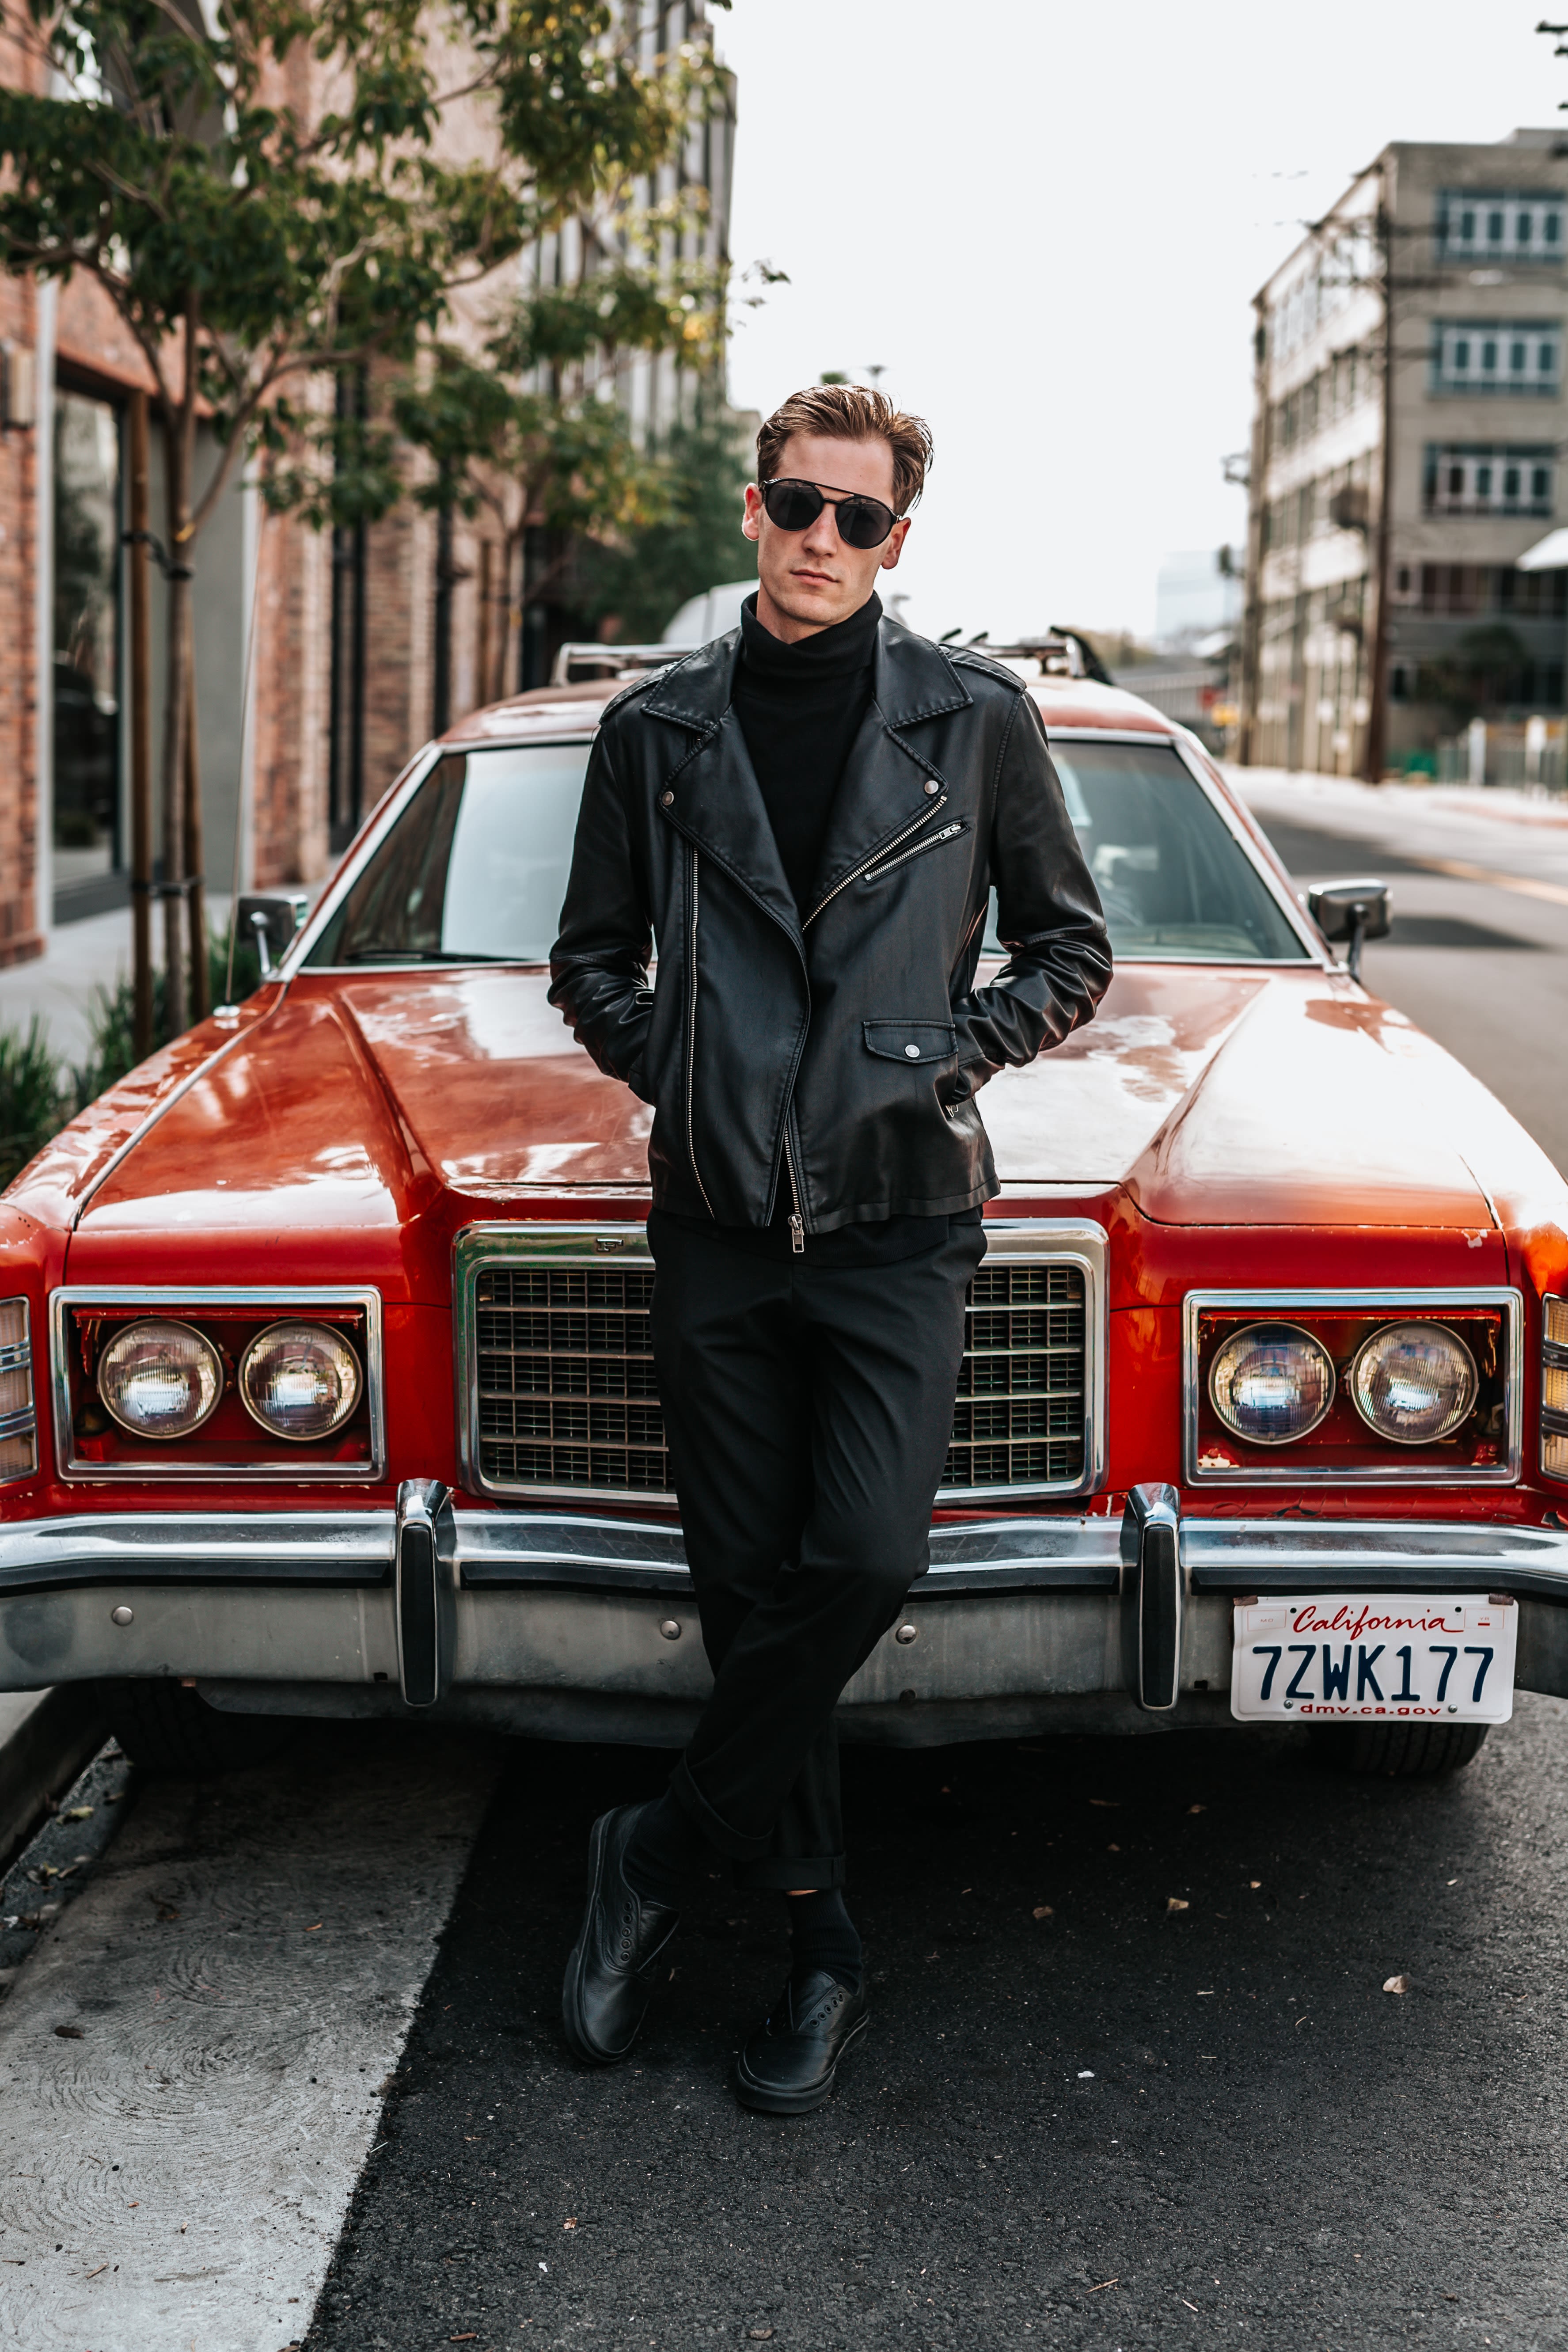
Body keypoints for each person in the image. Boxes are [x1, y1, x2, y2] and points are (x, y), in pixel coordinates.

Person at [548, 384, 1111, 2113]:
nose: (822, 537)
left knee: (859, 1557)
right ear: (754, 509)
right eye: (799, 503)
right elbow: (590, 958)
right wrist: (686, 1066)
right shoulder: (659, 729)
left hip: (896, 1219)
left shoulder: (978, 720)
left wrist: (955, 1047)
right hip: (715, 1222)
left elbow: (1071, 947)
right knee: (748, 1595)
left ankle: (648, 1841)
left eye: (857, 518)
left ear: (898, 542)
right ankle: (819, 1951)